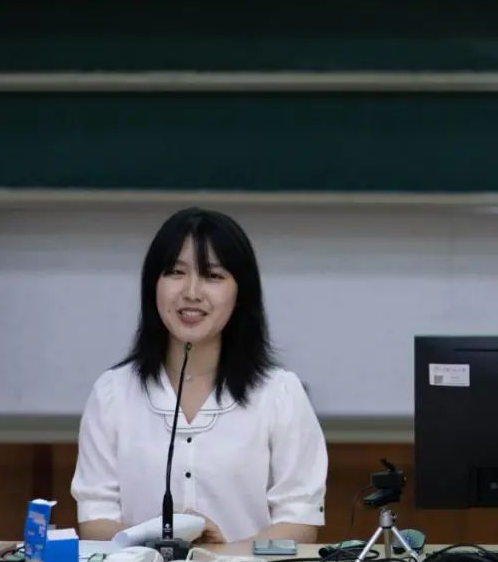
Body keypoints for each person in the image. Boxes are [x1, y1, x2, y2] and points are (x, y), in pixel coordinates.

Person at [71, 207, 327, 544]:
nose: (192, 292)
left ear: (241, 292)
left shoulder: (280, 394)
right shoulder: (113, 393)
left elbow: (299, 523)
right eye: (175, 272)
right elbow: (95, 520)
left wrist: (220, 555)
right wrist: (158, 543)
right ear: (153, 285)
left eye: (213, 276)